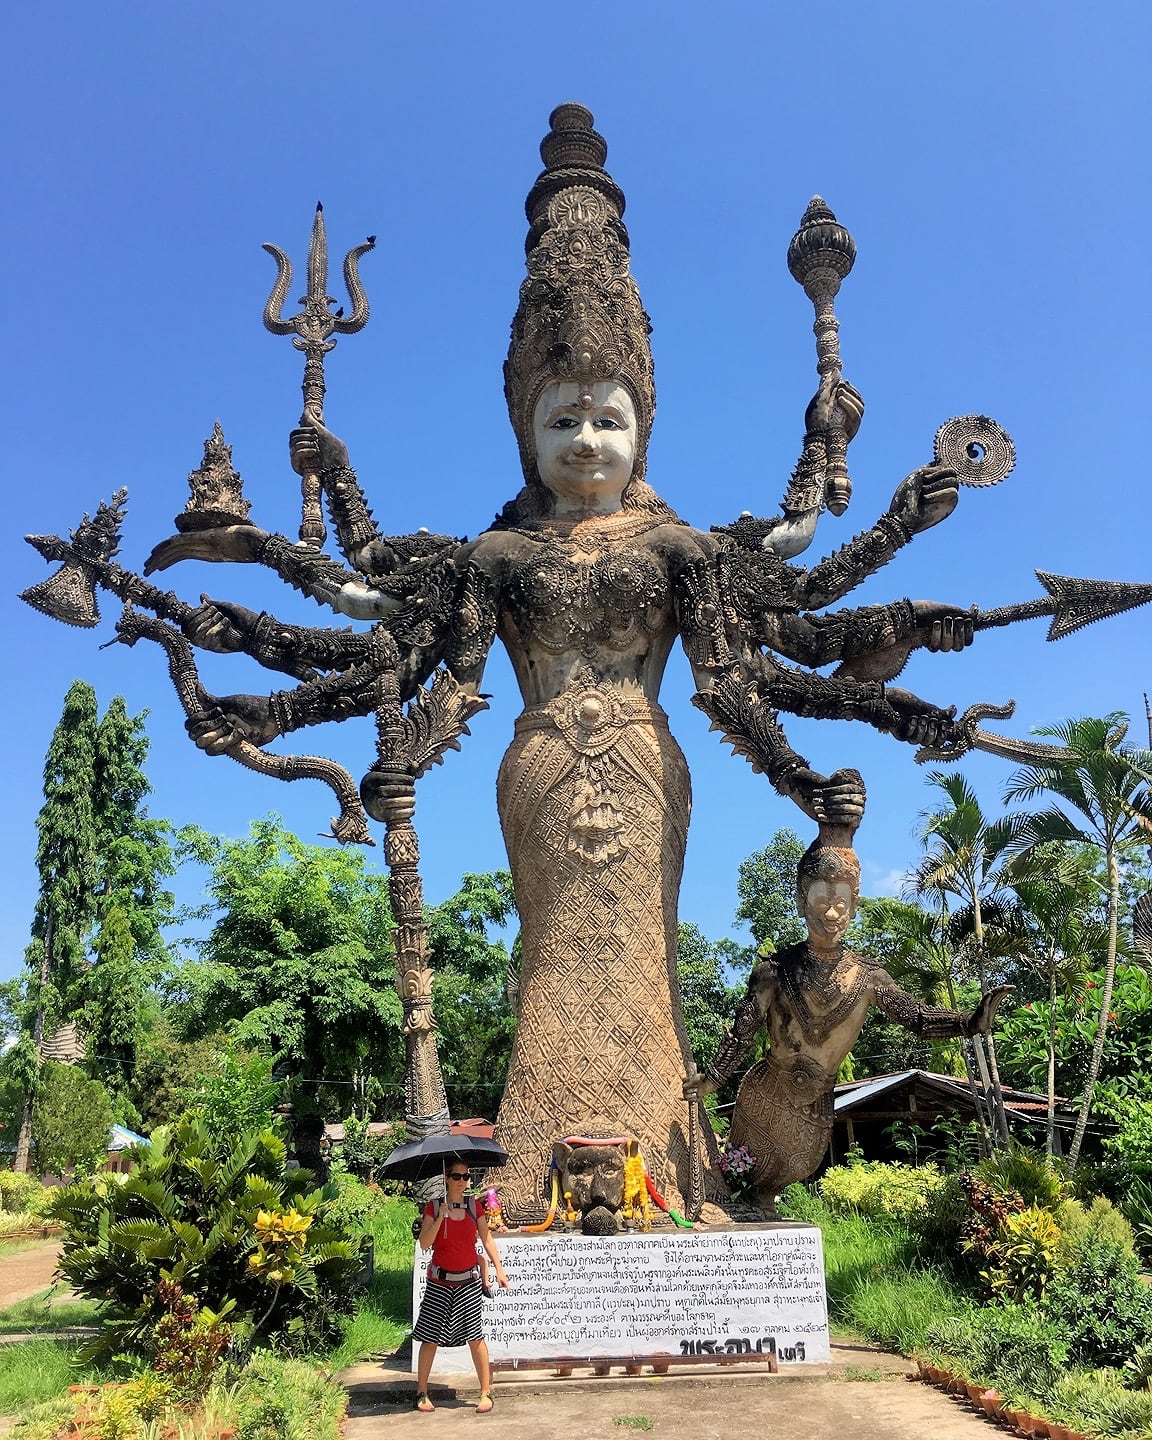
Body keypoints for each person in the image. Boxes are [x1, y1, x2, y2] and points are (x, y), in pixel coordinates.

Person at [142, 104, 992, 1221]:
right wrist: (404, 760)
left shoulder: (682, 548)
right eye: (563, 421)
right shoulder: (495, 555)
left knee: (645, 963)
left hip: (646, 763)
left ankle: (679, 1170)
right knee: (550, 966)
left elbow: (742, 680)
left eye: (609, 418)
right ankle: (536, 1162)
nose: (588, 439)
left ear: (643, 424)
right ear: (524, 428)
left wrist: (804, 779)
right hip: (538, 766)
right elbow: (440, 675)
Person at [686, 834, 1013, 1212]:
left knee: (785, 1176)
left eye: (841, 901)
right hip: (766, 1095)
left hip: (814, 1105)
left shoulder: (869, 976)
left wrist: (969, 1022)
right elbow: (744, 1030)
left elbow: (917, 1018)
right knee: (743, 1177)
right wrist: (710, 1080)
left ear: (854, 906)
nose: (831, 913)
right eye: (821, 899)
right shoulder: (774, 971)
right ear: (800, 902)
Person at [412, 1161, 509, 1414]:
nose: (461, 1181)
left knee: (475, 1337)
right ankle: (422, 1392)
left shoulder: (473, 1206)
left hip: (467, 1282)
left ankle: (486, 1392)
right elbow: (424, 1244)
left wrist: (499, 1269)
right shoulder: (433, 1207)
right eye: (456, 1176)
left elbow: (486, 1238)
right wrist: (439, 1217)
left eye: (465, 1177)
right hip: (440, 1282)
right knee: (430, 1337)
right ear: (446, 1177)